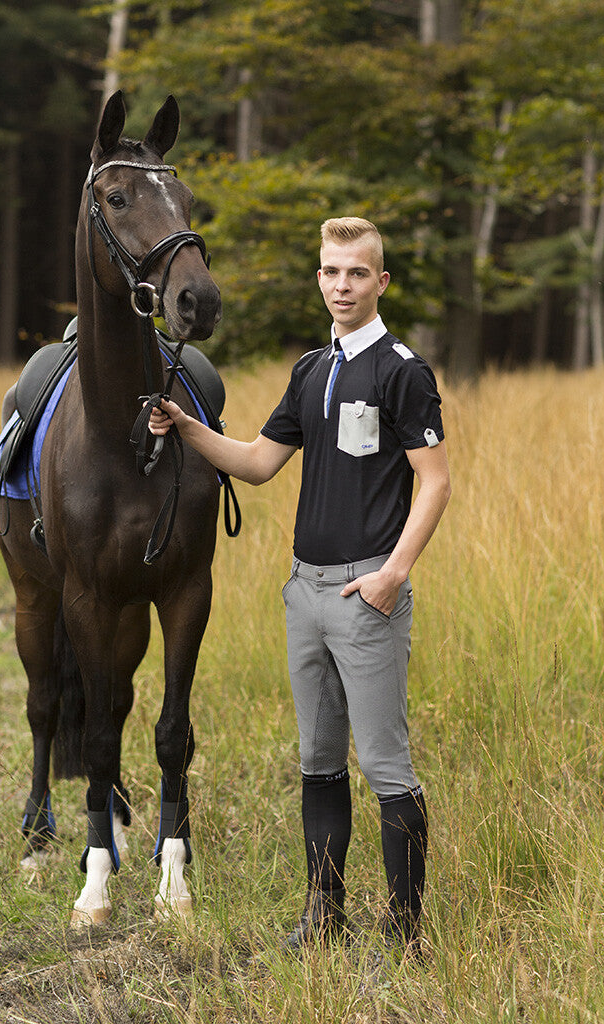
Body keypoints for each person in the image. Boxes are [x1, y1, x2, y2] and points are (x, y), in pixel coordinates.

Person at [148, 217, 451, 954]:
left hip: (365, 595)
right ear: (319, 278)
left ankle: (405, 935)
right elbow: (256, 462)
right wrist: (186, 427)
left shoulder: (402, 370)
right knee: (318, 763)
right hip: (305, 592)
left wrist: (392, 574)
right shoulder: (311, 369)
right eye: (331, 272)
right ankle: (324, 914)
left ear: (380, 282)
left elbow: (435, 482)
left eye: (357, 273)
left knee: (385, 767)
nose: (342, 285)